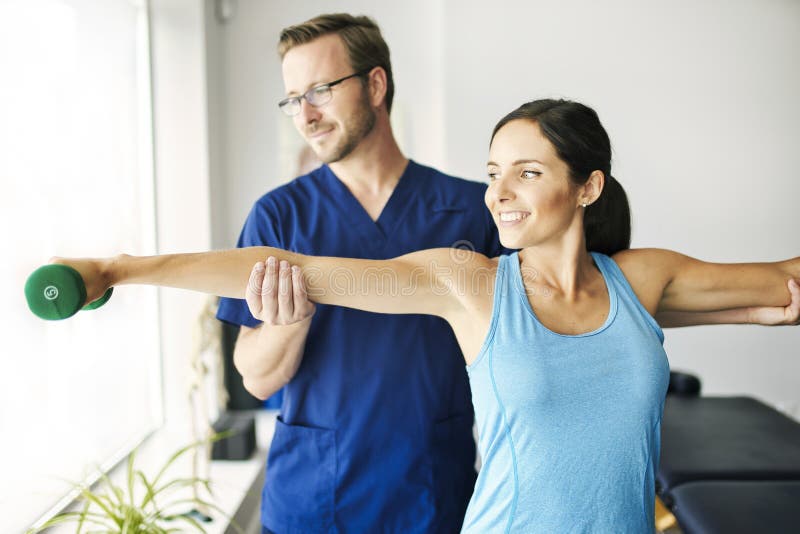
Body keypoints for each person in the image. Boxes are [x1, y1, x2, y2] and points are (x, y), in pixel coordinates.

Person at [52, 97, 799, 532]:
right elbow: (301, 272)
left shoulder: (644, 279)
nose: (499, 193)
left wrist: (760, 308)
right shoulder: (469, 283)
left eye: (527, 173)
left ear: (588, 187)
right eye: (493, 174)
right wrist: (120, 269)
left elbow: (781, 284)